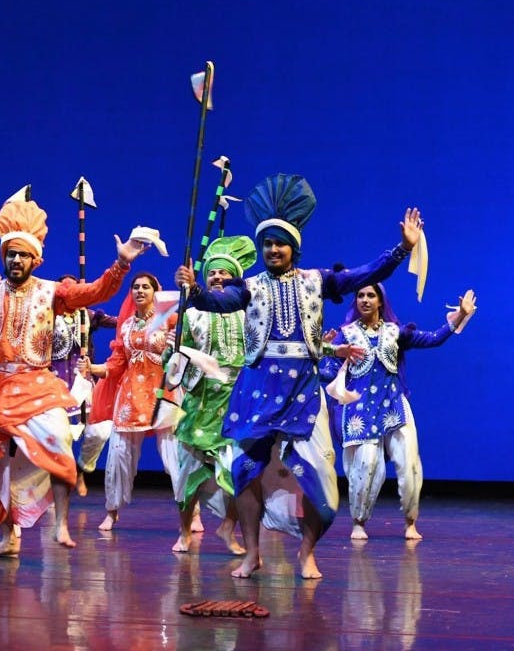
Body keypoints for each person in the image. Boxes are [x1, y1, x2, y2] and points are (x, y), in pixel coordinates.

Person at [175, 172, 424, 579]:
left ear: (294, 247)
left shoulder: (316, 281)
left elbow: (364, 275)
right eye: (267, 243)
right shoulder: (251, 285)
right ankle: (252, 552)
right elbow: (220, 301)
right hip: (257, 391)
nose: (273, 249)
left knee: (324, 484)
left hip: (304, 393)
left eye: (280, 244)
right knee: (244, 473)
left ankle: (306, 552)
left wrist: (401, 250)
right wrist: (196, 291)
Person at [0, 199, 152, 558]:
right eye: (11, 254)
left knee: (59, 445)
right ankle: (9, 537)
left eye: (23, 255)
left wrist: (121, 263)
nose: (16, 261)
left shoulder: (51, 292)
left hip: (40, 385)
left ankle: (61, 524)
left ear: (34, 259)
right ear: (4, 256)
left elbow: (95, 293)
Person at [320, 283, 476, 540]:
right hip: (359, 409)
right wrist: (324, 352)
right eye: (360, 295)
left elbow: (432, 339)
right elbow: (326, 374)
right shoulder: (346, 335)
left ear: (381, 301)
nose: (365, 300)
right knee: (366, 466)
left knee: (409, 462)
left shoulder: (395, 332)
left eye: (371, 295)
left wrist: (460, 315)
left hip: (393, 405)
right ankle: (358, 522)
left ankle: (410, 521)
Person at [166, 235, 256, 556]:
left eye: (224, 273)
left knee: (239, 475)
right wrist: (171, 357)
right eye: (212, 273)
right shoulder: (191, 314)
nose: (217, 278)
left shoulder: (247, 313)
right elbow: (174, 357)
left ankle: (228, 528)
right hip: (199, 403)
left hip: (234, 405)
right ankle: (185, 532)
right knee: (187, 477)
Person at [79, 272, 180, 532]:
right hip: (131, 396)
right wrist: (92, 368)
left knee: (174, 458)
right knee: (119, 457)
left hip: (163, 394)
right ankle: (111, 511)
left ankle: (192, 514)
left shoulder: (170, 321)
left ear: (156, 291)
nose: (140, 291)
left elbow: (181, 356)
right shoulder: (126, 327)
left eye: (146, 286)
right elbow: (116, 365)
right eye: (136, 287)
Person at [50, 273, 117, 497]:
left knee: (99, 432)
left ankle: (81, 470)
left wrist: (139, 315)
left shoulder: (87, 314)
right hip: (56, 382)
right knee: (61, 435)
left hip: (84, 381)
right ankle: (59, 479)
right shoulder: (48, 315)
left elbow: (117, 321)